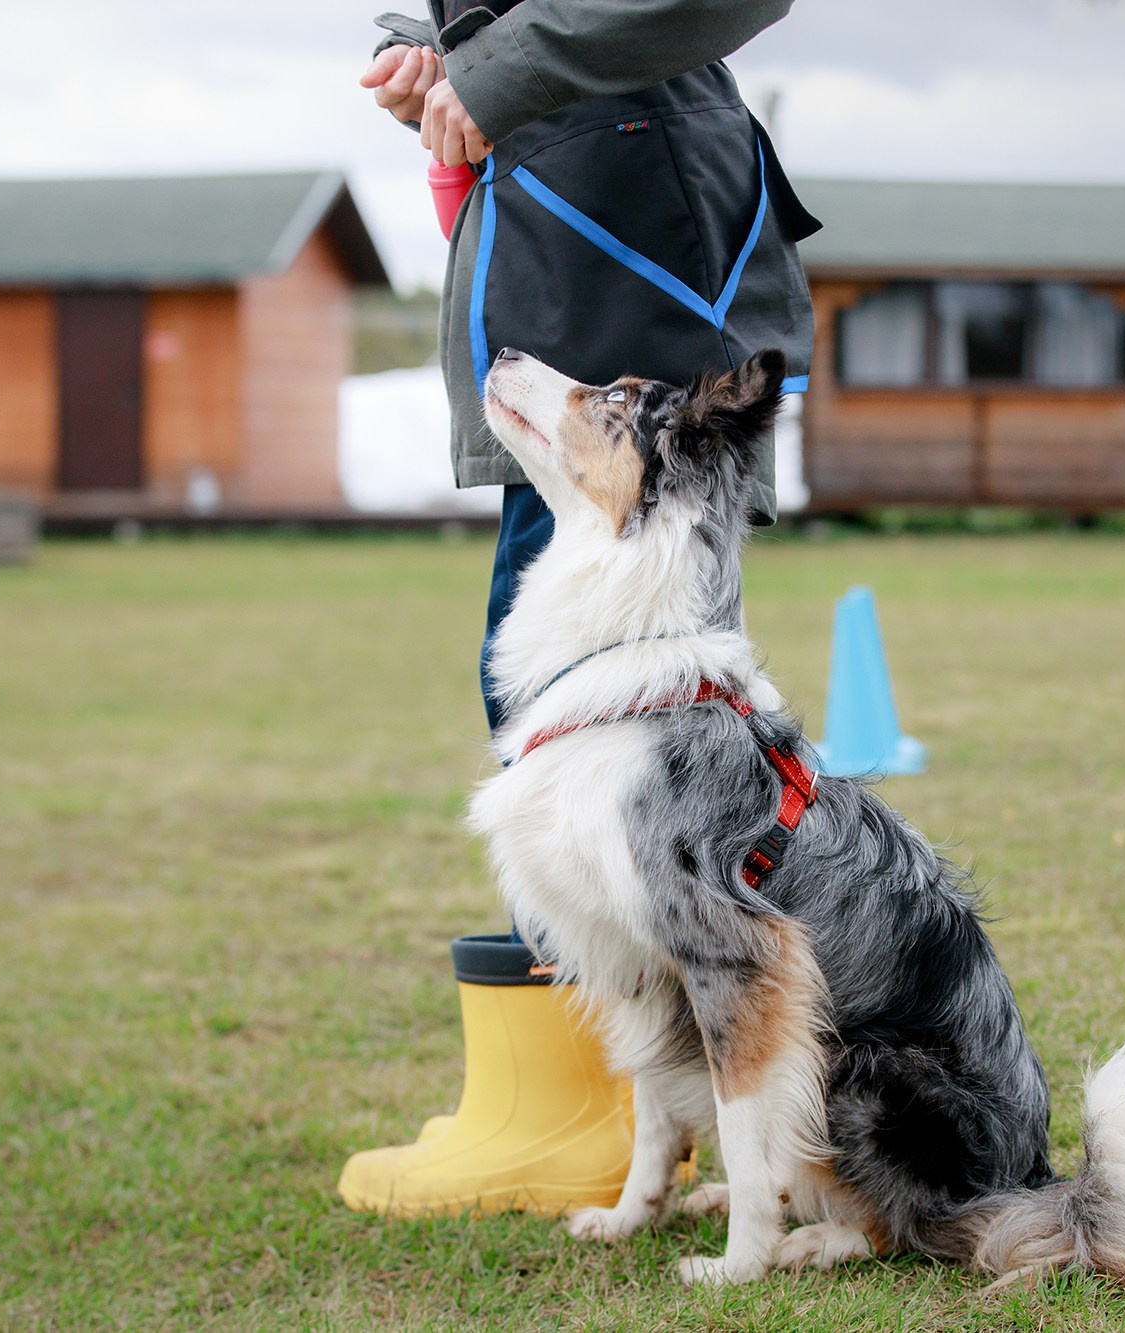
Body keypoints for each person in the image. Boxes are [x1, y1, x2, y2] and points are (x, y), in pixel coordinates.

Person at [336, 0, 820, 1219]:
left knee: (597, 742)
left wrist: (495, 66)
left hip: (623, 235)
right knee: (562, 729)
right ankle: (608, 1108)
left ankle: (573, 1121)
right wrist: (427, 44)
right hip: (576, 214)